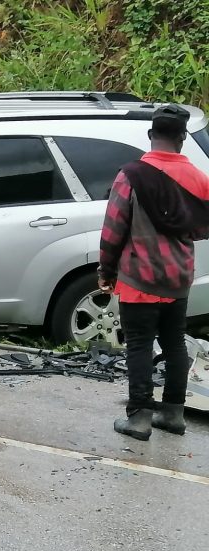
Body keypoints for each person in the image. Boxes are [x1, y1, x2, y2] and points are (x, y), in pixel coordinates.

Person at [99, 104, 209, 441]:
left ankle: (140, 419)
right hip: (178, 279)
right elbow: (203, 228)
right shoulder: (199, 179)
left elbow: (114, 227)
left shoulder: (131, 175)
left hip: (138, 280)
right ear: (183, 138)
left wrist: (107, 269)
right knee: (175, 344)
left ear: (151, 135)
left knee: (139, 346)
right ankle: (173, 414)